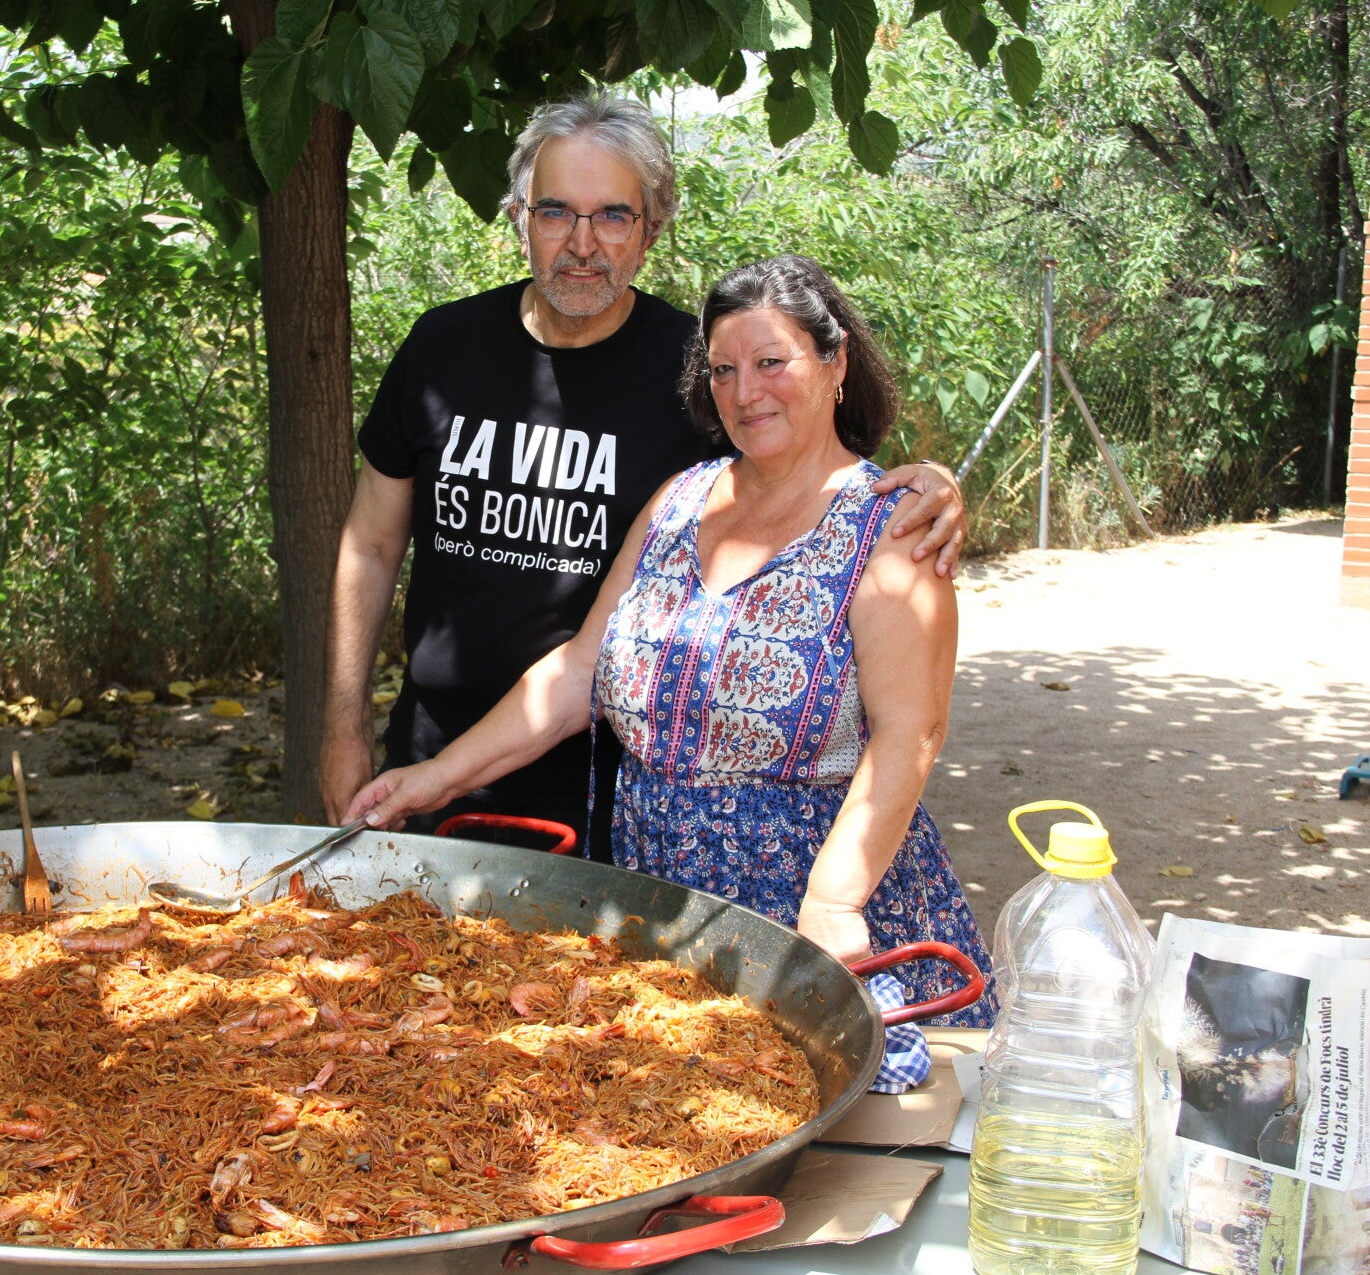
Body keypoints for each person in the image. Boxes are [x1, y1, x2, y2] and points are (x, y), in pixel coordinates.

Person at [347, 254, 997, 1023]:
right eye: (723, 369)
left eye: (771, 362)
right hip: (658, 907)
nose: (745, 392)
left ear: (836, 364)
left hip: (817, 921)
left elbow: (910, 733)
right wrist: (436, 777)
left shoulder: (894, 528)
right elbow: (579, 673)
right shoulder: (680, 499)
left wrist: (833, 900)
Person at [322, 94, 969, 854]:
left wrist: (930, 484)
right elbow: (369, 544)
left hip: (609, 784)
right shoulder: (442, 349)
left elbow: (806, 462)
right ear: (520, 217)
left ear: (650, 227)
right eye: (556, 212)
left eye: (613, 216)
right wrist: (342, 727)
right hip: (434, 753)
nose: (582, 243)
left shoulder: (696, 369)